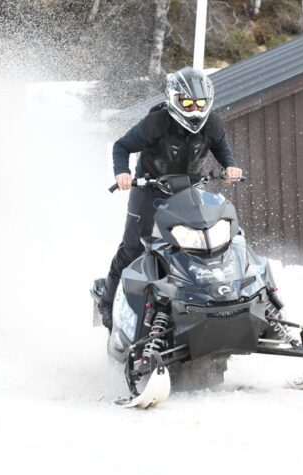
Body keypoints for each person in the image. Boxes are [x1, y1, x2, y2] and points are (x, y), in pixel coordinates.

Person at [95, 67, 243, 330]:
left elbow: (222, 148)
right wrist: (123, 173)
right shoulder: (157, 123)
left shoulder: (213, 124)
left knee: (203, 243)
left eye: (200, 103)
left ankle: (204, 300)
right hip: (149, 188)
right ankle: (108, 302)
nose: (194, 109)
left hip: (188, 189)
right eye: (187, 102)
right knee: (133, 247)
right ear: (175, 100)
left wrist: (230, 166)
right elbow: (122, 146)